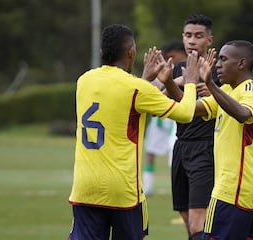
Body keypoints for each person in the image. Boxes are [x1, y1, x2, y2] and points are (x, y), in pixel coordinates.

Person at [68, 24, 202, 240]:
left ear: (102, 53)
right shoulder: (137, 89)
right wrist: (191, 82)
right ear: (131, 52)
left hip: (85, 187)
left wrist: (144, 80)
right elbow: (186, 113)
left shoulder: (84, 80)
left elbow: (119, 99)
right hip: (123, 191)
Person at [162, 40, 253, 239]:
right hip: (251, 189)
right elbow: (191, 108)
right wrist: (168, 83)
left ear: (241, 63)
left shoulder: (251, 91)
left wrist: (209, 84)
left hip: (232, 189)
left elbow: (244, 114)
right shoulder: (226, 91)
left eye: (224, 60)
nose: (217, 64)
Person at [168, 14, 221, 240]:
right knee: (188, 221)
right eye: (188, 35)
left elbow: (231, 102)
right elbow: (165, 102)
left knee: (199, 220)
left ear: (209, 40)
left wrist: (214, 90)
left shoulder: (220, 70)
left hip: (205, 148)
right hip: (181, 146)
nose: (192, 41)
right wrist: (176, 82)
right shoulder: (178, 68)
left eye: (198, 36)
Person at [143, 40, 187, 196]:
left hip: (175, 115)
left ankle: (181, 185)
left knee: (174, 151)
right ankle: (147, 187)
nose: (170, 60)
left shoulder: (187, 70)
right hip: (159, 115)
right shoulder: (161, 70)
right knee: (150, 151)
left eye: (172, 56)